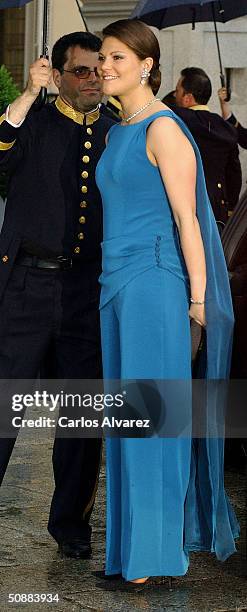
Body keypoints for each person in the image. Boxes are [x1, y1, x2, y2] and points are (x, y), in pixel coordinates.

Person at [95, 19, 239, 584]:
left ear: (146, 66)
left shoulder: (164, 130)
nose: (105, 67)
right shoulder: (115, 132)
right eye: (103, 58)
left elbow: (188, 221)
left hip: (155, 285)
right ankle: (131, 550)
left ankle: (153, 555)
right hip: (114, 287)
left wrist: (199, 299)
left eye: (116, 59)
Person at [0, 32, 116, 559]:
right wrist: (27, 94)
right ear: (58, 76)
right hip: (26, 287)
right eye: (81, 72)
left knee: (81, 417)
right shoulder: (34, 121)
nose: (93, 79)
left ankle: (70, 524)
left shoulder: (119, 130)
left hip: (85, 291)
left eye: (99, 70)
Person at [173, 68, 242, 226]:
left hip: (185, 207)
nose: (175, 95)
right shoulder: (227, 129)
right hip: (217, 210)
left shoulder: (178, 120)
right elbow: (234, 174)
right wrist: (230, 208)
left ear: (188, 98)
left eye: (177, 91)